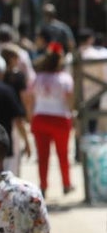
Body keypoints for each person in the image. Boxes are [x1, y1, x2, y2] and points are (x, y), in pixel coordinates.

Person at [29, 42, 76, 196]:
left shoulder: (38, 77)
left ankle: (43, 186)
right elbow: (70, 101)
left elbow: (30, 97)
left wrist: (30, 116)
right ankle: (66, 183)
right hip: (60, 118)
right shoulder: (65, 78)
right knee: (63, 154)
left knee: (42, 156)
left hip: (40, 117)